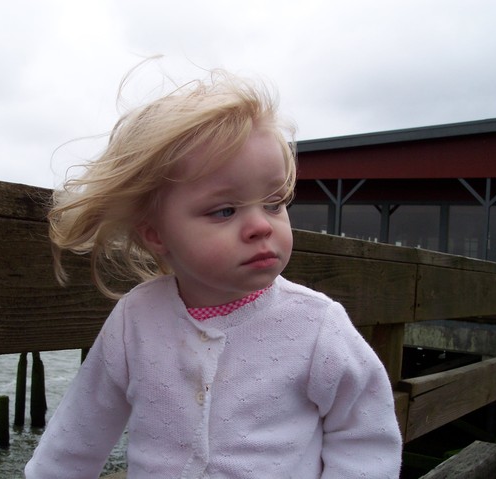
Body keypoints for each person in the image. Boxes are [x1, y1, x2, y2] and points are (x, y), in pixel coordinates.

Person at [25, 68, 403, 478]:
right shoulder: (136, 319)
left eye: (274, 203)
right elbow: (77, 435)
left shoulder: (316, 324)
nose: (262, 225)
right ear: (156, 234)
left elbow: (366, 435)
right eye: (224, 210)